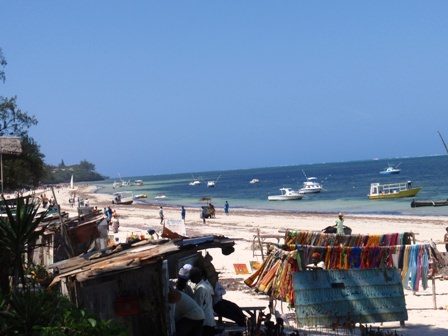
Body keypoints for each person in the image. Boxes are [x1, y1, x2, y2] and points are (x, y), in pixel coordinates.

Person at [189, 266, 216, 336]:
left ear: (196, 277)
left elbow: (198, 307)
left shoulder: (200, 289)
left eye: (191, 277)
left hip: (205, 321)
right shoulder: (206, 285)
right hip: (209, 319)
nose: (190, 279)